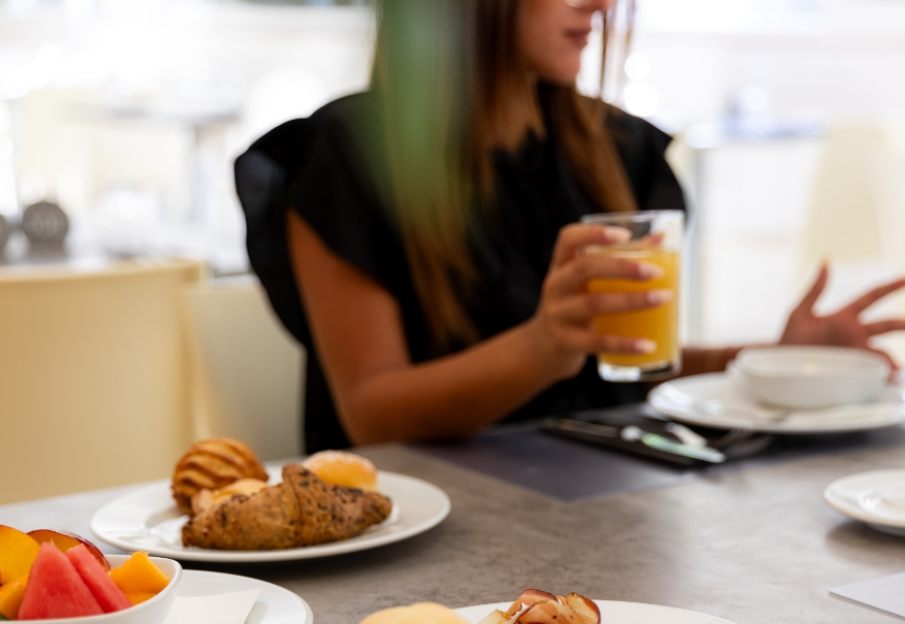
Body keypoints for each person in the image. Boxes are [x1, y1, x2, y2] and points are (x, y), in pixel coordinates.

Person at [236, 0, 905, 453]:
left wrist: (771, 360)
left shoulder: (619, 149)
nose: (600, 4)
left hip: (604, 504)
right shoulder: (348, 155)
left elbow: (630, 367)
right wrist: (541, 345)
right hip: (423, 537)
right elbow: (371, 413)